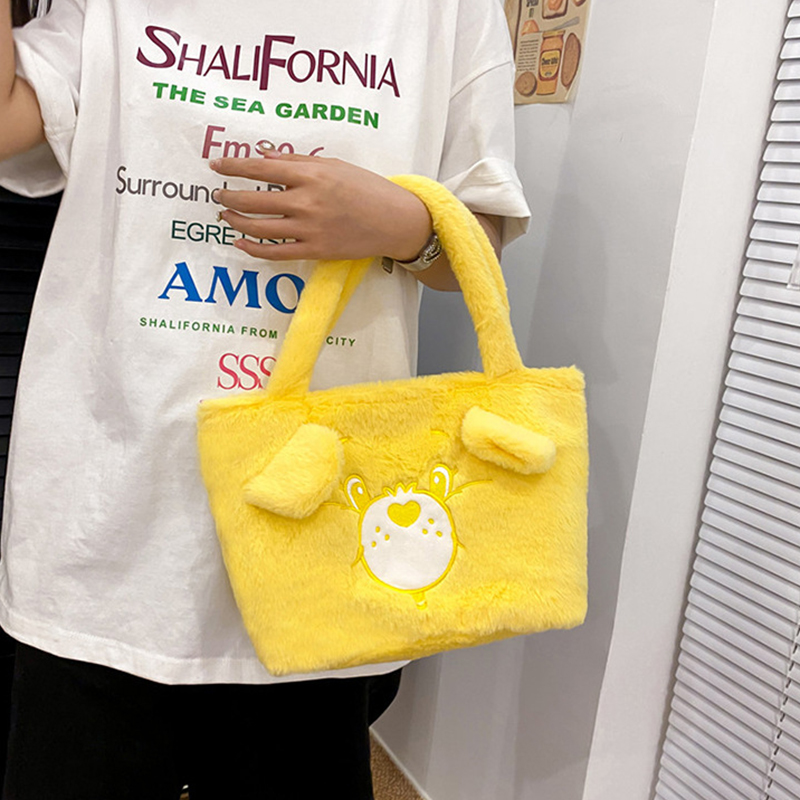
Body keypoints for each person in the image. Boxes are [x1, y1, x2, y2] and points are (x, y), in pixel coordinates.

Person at [0, 0, 530, 797]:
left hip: (319, 515)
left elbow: (477, 244)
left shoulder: (443, 12)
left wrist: (399, 222)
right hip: (112, 515)